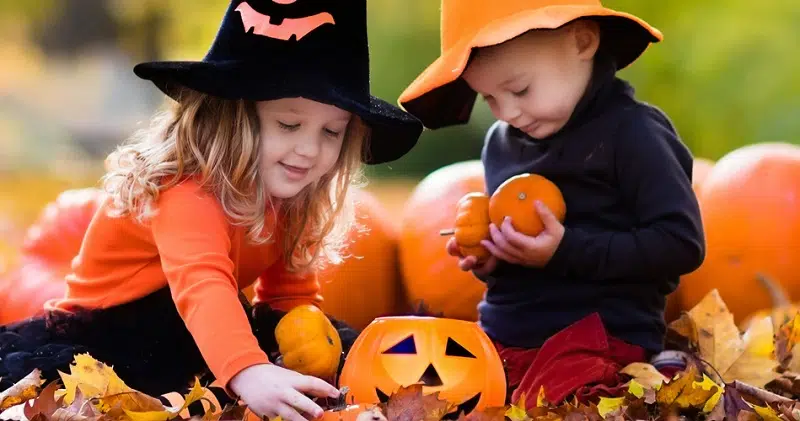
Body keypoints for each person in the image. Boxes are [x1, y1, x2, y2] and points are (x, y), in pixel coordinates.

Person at [0, 1, 423, 420]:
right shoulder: (185, 189)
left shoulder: (295, 194)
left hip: (203, 324)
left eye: (331, 132)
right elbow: (202, 284)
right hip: (114, 334)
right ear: (230, 116)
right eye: (289, 125)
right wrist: (249, 370)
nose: (310, 150)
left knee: (328, 343)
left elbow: (286, 297)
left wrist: (307, 342)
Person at [397, 0, 705, 408]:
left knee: (557, 403)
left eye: (519, 89)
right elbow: (527, 263)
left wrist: (565, 250)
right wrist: (495, 257)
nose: (506, 112)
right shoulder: (501, 144)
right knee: (430, 386)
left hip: (600, 335)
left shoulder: (634, 134)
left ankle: (658, 376)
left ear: (582, 41)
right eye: (488, 98)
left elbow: (680, 243)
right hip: (504, 331)